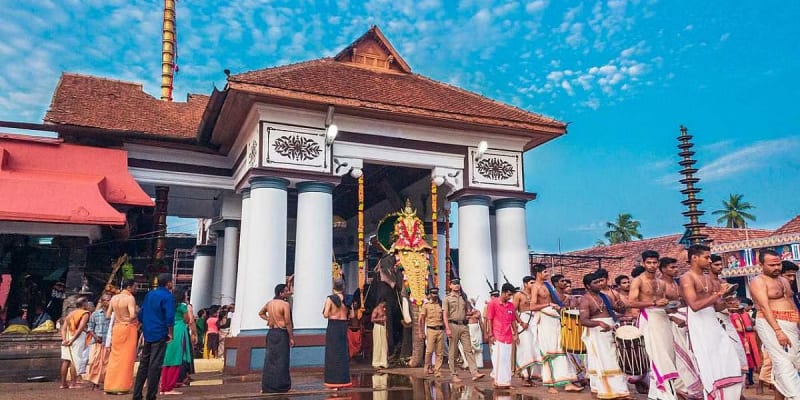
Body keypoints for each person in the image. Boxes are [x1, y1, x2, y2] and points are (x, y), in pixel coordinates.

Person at [679, 245, 743, 400]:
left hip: (713, 320)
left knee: (727, 356)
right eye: (706, 257)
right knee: (707, 360)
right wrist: (718, 294)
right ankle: (712, 394)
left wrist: (727, 303)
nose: (709, 261)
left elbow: (715, 306)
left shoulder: (708, 278)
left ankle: (726, 395)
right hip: (698, 323)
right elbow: (694, 306)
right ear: (694, 258)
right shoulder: (687, 278)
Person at [628, 251, 682, 400]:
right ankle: (665, 395)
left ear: (658, 263)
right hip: (649, 318)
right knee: (657, 356)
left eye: (654, 262)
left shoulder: (661, 283)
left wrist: (672, 310)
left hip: (663, 318)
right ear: (643, 263)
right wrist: (653, 302)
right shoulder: (638, 281)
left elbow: (664, 305)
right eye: (649, 262)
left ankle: (656, 393)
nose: (652, 265)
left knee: (668, 355)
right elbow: (631, 302)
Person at [749, 251, 800, 400]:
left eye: (778, 264)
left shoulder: (783, 280)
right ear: (761, 265)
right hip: (770, 324)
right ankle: (796, 395)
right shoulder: (758, 281)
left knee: (794, 360)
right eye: (772, 265)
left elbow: (791, 302)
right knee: (782, 362)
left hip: (790, 324)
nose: (777, 267)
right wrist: (778, 331)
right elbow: (764, 307)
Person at [530, 264, 582, 393]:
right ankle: (550, 385)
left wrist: (559, 306)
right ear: (538, 273)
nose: (547, 274)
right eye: (545, 272)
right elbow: (532, 306)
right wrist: (548, 304)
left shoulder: (548, 286)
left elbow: (557, 301)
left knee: (561, 349)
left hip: (554, 319)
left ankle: (567, 383)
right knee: (549, 352)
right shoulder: (535, 287)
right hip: (545, 320)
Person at [579, 272, 630, 399]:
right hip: (597, 333)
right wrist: (599, 323)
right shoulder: (585, 300)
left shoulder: (605, 297)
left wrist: (621, 307)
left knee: (615, 360)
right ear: (588, 286)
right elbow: (583, 320)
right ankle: (606, 391)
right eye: (595, 283)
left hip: (610, 329)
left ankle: (620, 391)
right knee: (603, 361)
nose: (599, 284)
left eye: (600, 281)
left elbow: (618, 311)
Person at [132, 273, 176, 400]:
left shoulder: (150, 294)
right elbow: (169, 317)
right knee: (155, 365)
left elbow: (141, 313)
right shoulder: (168, 296)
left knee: (144, 364)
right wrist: (170, 333)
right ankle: (151, 395)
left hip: (148, 332)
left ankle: (137, 394)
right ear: (168, 283)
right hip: (160, 332)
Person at [443, 278, 485, 383]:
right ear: (450, 285)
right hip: (452, 325)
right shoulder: (447, 298)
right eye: (454, 283)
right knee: (453, 352)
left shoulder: (463, 297)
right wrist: (447, 328)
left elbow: (466, 312)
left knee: (468, 350)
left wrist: (473, 315)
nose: (456, 285)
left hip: (464, 325)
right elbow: (445, 315)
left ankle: (474, 373)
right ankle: (454, 374)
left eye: (458, 283)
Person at [486, 283, 524, 389]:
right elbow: (489, 319)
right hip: (497, 335)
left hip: (508, 336)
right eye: (509, 295)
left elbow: (513, 321)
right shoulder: (492, 303)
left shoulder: (511, 305)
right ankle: (497, 382)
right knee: (498, 359)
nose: (510, 297)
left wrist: (516, 333)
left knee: (507, 360)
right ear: (503, 292)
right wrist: (490, 334)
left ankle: (506, 382)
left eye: (511, 295)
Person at [160, 286, 196, 395]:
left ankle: (164, 387)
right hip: (180, 331)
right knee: (176, 359)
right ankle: (169, 387)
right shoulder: (182, 306)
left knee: (167, 359)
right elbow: (187, 320)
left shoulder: (168, 305)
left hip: (168, 330)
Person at [104, 278, 138, 394]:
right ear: (129, 287)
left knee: (114, 357)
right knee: (126, 358)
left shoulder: (114, 298)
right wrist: (136, 313)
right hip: (128, 328)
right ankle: (121, 387)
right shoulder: (130, 298)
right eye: (135, 287)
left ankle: (109, 386)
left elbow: (108, 315)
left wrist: (119, 319)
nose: (136, 289)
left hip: (117, 328)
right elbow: (132, 315)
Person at [258, 284, 294, 393]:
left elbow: (261, 313)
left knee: (270, 360)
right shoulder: (285, 304)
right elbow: (287, 322)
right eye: (286, 291)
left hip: (271, 333)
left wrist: (269, 319)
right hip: (281, 333)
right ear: (281, 293)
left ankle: (267, 386)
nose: (288, 293)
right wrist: (291, 337)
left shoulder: (269, 303)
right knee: (282, 360)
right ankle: (282, 386)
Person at [322, 279, 352, 389]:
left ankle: (333, 381)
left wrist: (331, 312)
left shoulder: (330, 299)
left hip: (333, 326)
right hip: (343, 325)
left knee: (332, 353)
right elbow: (352, 315)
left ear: (333, 287)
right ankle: (343, 380)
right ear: (343, 287)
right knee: (342, 353)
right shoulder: (348, 299)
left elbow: (325, 314)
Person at [514, 275, 541, 386]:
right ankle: (524, 376)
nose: (533, 285)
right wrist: (521, 322)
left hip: (534, 322)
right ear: (525, 284)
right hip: (524, 323)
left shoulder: (536, 295)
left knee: (534, 349)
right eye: (531, 283)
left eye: (534, 282)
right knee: (526, 349)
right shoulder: (518, 295)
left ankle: (531, 376)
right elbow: (513, 311)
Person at [727, 296, 760, 386]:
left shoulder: (736, 315)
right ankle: (749, 379)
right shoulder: (741, 314)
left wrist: (730, 329)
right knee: (749, 358)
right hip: (745, 337)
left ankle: (748, 379)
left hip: (743, 337)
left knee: (747, 358)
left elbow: (742, 328)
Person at [60, 297, 90, 389]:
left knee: (66, 360)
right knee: (75, 360)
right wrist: (72, 340)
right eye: (87, 303)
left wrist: (64, 339)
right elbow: (80, 329)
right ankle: (73, 383)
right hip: (77, 338)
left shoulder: (70, 314)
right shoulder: (84, 313)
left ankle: (63, 384)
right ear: (84, 304)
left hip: (67, 336)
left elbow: (63, 328)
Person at [86, 294, 111, 389]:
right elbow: (90, 328)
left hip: (108, 342)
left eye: (110, 300)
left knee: (106, 363)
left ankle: (105, 382)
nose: (108, 302)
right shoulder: (95, 314)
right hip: (97, 342)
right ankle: (94, 382)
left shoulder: (113, 314)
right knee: (93, 362)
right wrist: (96, 337)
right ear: (102, 302)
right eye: (107, 300)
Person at [419, 289, 444, 377]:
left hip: (440, 330)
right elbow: (421, 319)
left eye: (436, 293)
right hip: (431, 330)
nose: (435, 295)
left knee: (439, 352)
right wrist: (421, 331)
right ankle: (426, 369)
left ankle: (437, 371)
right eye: (433, 293)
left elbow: (444, 317)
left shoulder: (441, 304)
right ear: (430, 294)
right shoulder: (426, 305)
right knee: (429, 351)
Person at [372, 300, 389, 369]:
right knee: (378, 345)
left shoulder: (384, 309)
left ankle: (383, 362)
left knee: (384, 345)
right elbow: (372, 319)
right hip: (378, 327)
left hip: (383, 327)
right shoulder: (376, 309)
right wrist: (381, 319)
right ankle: (376, 363)